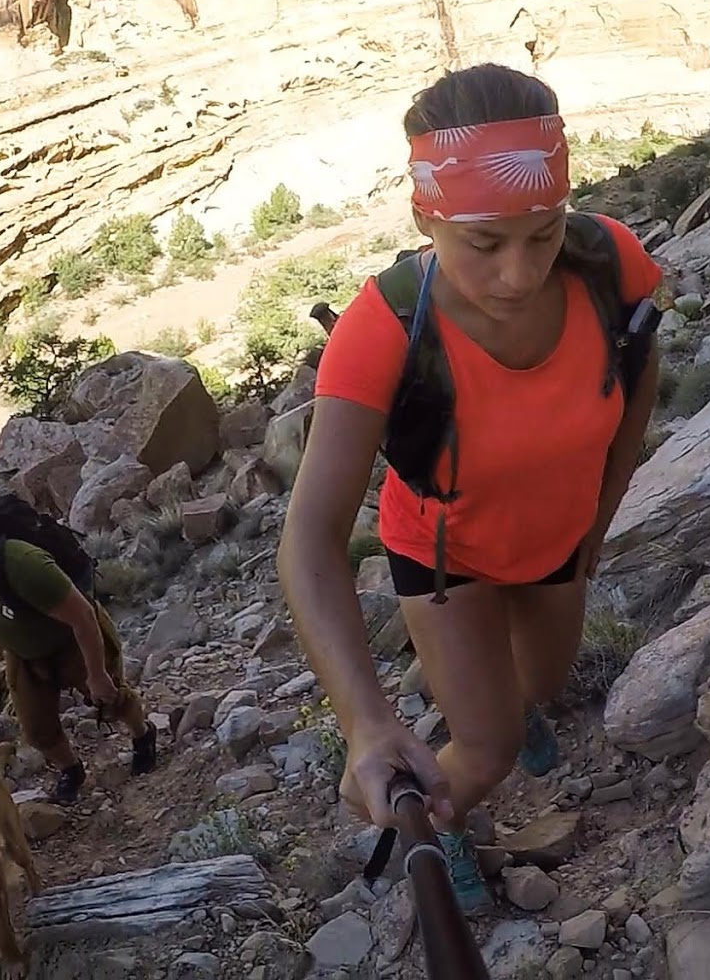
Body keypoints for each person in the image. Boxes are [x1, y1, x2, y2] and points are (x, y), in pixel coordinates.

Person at [277, 62, 664, 911]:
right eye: (484, 243)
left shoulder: (610, 265)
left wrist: (597, 527)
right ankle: (443, 824)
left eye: (543, 234)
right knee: (486, 746)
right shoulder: (383, 329)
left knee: (544, 686)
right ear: (426, 216)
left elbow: (638, 382)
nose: (519, 273)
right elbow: (308, 540)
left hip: (556, 541)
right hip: (443, 558)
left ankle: (490, 705)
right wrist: (366, 723)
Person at [0, 520, 158, 804]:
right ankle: (72, 769)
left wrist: (97, 673)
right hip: (24, 651)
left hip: (72, 637)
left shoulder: (24, 565)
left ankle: (143, 735)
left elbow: (83, 617)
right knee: (36, 729)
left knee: (110, 697)